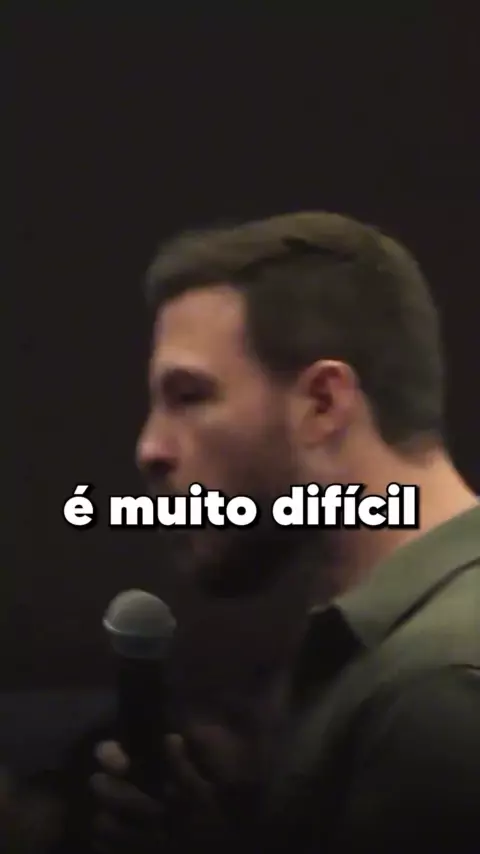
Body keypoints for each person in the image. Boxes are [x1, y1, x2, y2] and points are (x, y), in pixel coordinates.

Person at [92, 211, 480, 852]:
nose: (150, 448)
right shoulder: (394, 652)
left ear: (323, 403)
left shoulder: (438, 687)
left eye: (189, 395)